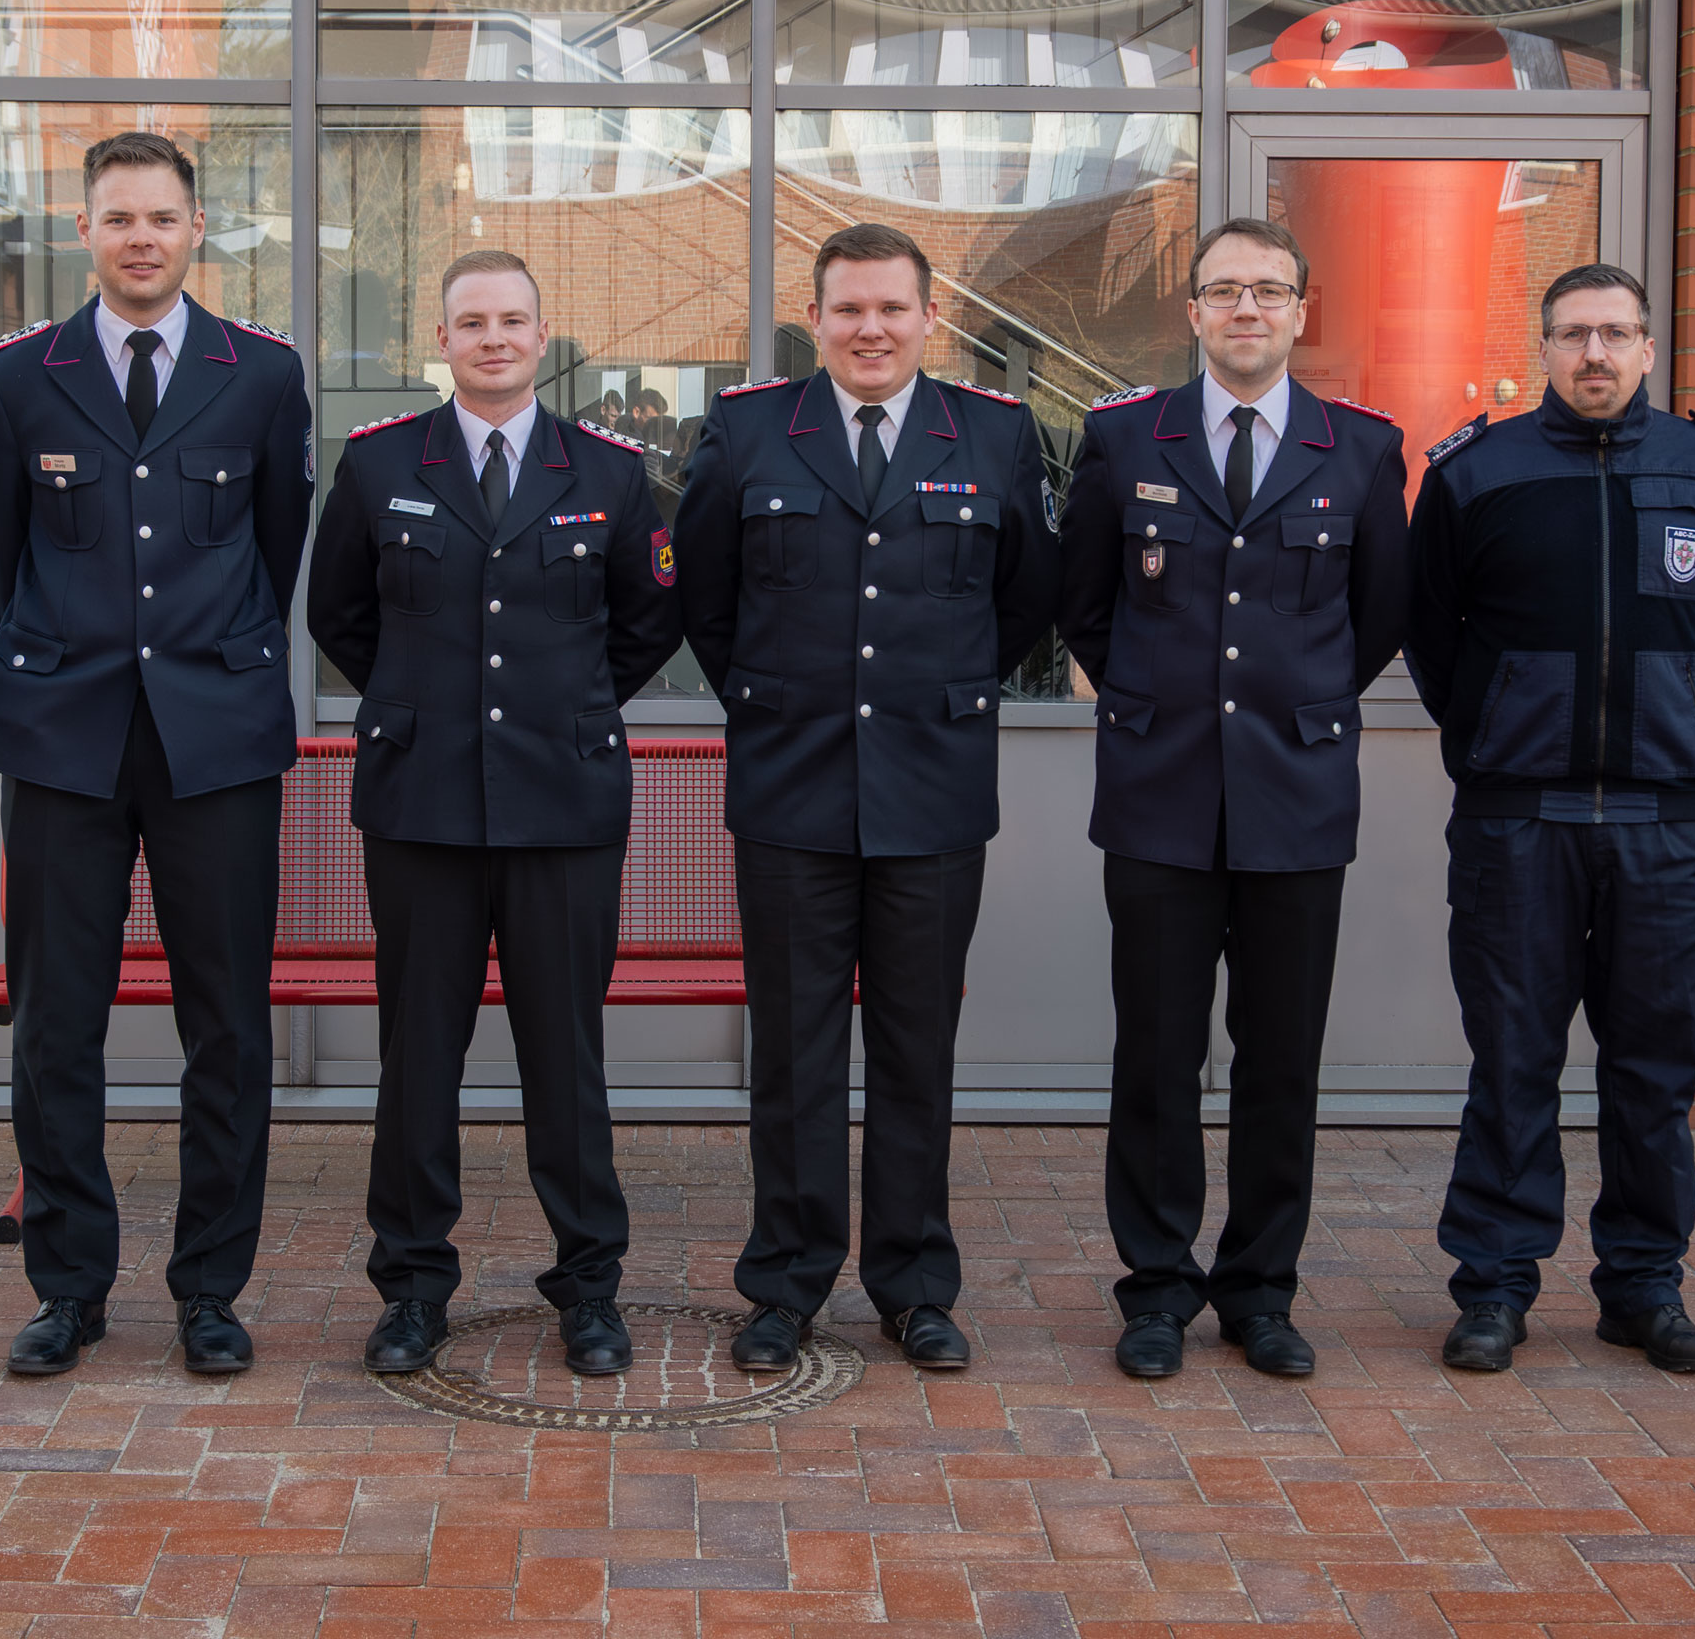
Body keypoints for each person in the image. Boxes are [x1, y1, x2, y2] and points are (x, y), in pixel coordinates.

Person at [673, 221, 1060, 1374]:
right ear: (816, 317)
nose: (871, 328)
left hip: (932, 789)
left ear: (930, 318)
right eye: (849, 308)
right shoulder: (750, 429)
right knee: (793, 1052)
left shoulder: (993, 432)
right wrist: (784, 701)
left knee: (914, 1047)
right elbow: (708, 595)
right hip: (792, 790)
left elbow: (1024, 595)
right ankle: (786, 1282)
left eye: (893, 307)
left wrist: (935, 693)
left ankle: (914, 1282)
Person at [0, 130, 315, 1378]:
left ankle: (211, 1286)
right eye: (119, 217)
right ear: (84, 232)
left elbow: (277, 545)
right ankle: (69, 1285)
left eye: (162, 216)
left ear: (196, 229)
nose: (142, 238)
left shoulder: (261, 372)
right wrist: (74, 648)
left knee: (227, 1026)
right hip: (65, 737)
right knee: (57, 1023)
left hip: (216, 739)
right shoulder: (20, 375)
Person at [305, 249, 685, 1378]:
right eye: (472, 322)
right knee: (418, 1056)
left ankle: (590, 1286)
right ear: (443, 338)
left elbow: (647, 620)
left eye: (512, 320)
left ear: (541, 333)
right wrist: (426, 706)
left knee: (565, 1058)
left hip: (562, 804)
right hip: (421, 803)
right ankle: (412, 1287)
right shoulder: (380, 464)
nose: (494, 339)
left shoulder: (611, 470)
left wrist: (567, 709)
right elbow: (339, 612)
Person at [1054, 216, 1408, 1383]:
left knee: (1280, 1060)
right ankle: (1157, 1288)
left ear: (1301, 310)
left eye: (1268, 289)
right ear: (1194, 310)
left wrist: (1294, 703)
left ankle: (1260, 1291)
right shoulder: (1122, 439)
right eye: (1224, 290)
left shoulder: (1362, 449)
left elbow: (1377, 615)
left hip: (1295, 799)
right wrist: (1158, 701)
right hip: (1158, 797)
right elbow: (1086, 603)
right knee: (1156, 1057)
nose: (1246, 308)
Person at [1407, 263, 1695, 1375]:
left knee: (1654, 1070)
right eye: (1574, 334)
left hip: (1665, 823)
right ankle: (1495, 1287)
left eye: (1616, 333)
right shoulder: (1479, 473)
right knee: (1511, 1061)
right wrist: (1499, 732)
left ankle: (1644, 1287)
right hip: (1519, 820)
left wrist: (1673, 720)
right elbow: (1431, 633)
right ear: (1545, 347)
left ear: (1649, 347)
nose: (1596, 354)